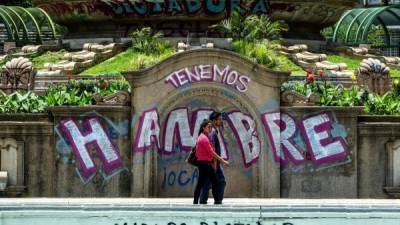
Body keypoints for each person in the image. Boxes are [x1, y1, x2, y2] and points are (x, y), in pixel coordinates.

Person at [193, 119, 229, 205]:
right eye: (208, 127)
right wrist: (223, 161)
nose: (210, 129)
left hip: (205, 163)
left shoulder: (203, 137)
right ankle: (215, 201)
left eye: (211, 127)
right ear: (203, 128)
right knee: (206, 183)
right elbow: (212, 152)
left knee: (210, 182)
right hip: (205, 164)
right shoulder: (204, 139)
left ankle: (215, 201)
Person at [200, 111, 226, 204]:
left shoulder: (212, 131)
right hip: (212, 164)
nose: (221, 121)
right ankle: (216, 202)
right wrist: (214, 164)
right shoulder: (212, 132)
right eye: (219, 119)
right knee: (220, 182)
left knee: (208, 183)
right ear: (214, 121)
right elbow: (211, 149)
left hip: (209, 163)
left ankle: (205, 202)